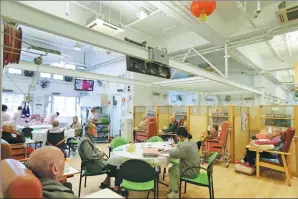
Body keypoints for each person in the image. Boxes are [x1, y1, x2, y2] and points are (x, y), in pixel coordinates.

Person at [78, 123, 120, 192]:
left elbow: (92, 152)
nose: (96, 131)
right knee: (117, 167)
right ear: (89, 130)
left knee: (112, 163)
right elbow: (90, 156)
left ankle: (106, 182)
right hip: (92, 165)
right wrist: (100, 154)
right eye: (95, 129)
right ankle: (116, 188)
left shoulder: (87, 138)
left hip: (92, 163)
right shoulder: (85, 141)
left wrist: (99, 153)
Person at [166, 127, 200, 198]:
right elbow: (182, 147)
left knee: (171, 170)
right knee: (175, 167)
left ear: (180, 136)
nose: (177, 139)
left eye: (177, 137)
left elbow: (173, 154)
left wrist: (166, 150)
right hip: (195, 169)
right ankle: (175, 188)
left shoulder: (185, 146)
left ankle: (175, 193)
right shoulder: (192, 142)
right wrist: (178, 145)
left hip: (190, 171)